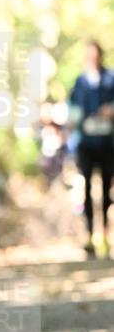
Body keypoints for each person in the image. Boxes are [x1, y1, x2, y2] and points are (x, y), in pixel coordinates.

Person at [68, 40, 114, 256]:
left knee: (106, 190)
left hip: (107, 143)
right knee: (85, 187)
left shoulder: (110, 79)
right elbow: (73, 109)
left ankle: (104, 235)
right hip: (86, 143)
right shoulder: (80, 82)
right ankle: (88, 236)